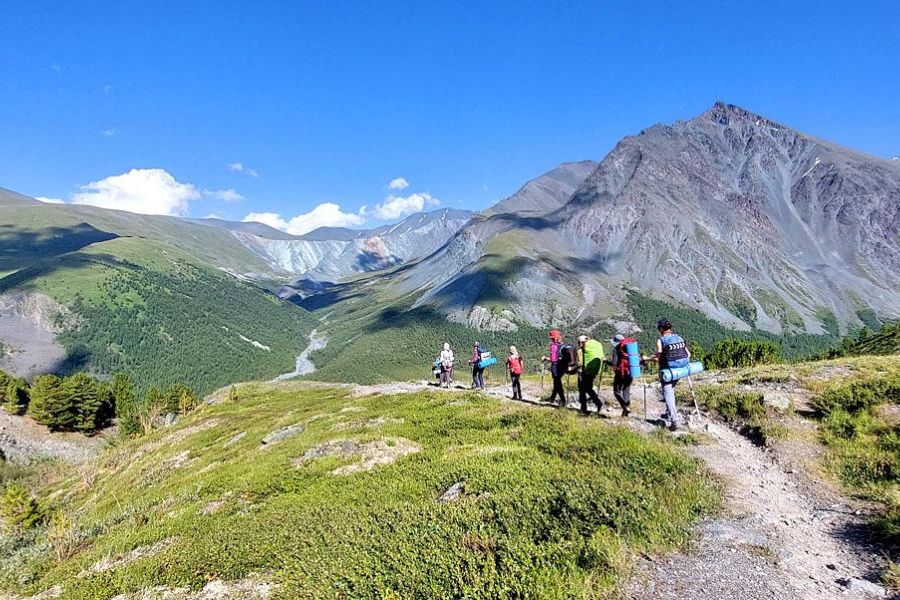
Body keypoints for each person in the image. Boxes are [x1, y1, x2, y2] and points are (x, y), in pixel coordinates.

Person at [645, 318, 690, 430]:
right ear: (670, 328)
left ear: (661, 329)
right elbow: (688, 354)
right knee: (671, 390)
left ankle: (675, 421)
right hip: (680, 370)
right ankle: (669, 414)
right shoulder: (679, 337)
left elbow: (659, 359)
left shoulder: (661, 340)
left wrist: (647, 359)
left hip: (667, 371)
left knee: (668, 393)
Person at [604, 334, 633, 417]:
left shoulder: (616, 349)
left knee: (616, 391)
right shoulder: (630, 347)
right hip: (630, 371)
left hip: (620, 372)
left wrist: (606, 361)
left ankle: (625, 407)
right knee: (626, 390)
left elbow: (614, 363)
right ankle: (626, 411)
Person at [576, 335, 603, 415]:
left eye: (578, 342)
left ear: (580, 342)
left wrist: (571, 368)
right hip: (591, 372)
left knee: (582, 390)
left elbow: (580, 363)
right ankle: (597, 403)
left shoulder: (580, 351)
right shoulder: (592, 349)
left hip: (583, 373)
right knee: (589, 389)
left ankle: (584, 409)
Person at [541, 330, 566, 408]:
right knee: (556, 382)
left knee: (557, 382)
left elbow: (555, 359)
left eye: (552, 338)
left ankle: (563, 400)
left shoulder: (556, 346)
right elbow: (555, 358)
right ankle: (552, 398)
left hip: (556, 366)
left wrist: (547, 359)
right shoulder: (561, 345)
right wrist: (547, 358)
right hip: (559, 366)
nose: (551, 339)